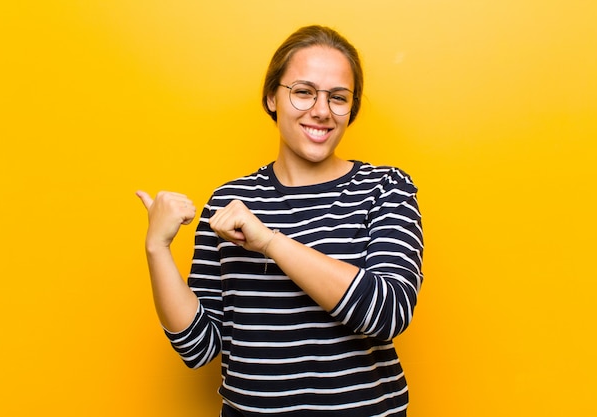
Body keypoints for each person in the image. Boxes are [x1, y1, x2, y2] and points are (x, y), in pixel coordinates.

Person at [136, 25, 424, 417]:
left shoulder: (385, 187)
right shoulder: (229, 204)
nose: (321, 110)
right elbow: (199, 346)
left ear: (351, 109)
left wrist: (271, 241)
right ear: (272, 97)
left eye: (338, 98)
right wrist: (157, 248)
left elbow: (387, 313)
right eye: (303, 92)